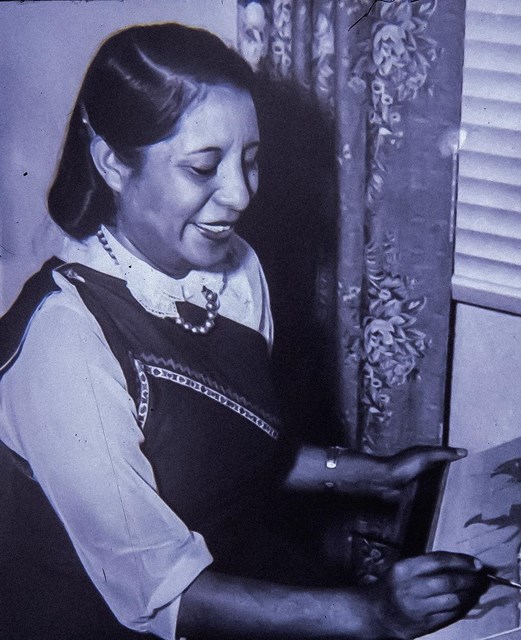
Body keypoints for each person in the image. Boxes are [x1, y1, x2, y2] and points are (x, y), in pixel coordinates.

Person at [0, 23, 488, 640]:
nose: (239, 194)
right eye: (204, 167)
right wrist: (370, 615)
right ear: (112, 165)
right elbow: (162, 596)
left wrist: (374, 473)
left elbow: (236, 450)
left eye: (251, 160)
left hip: (228, 581)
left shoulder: (233, 270)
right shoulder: (62, 346)